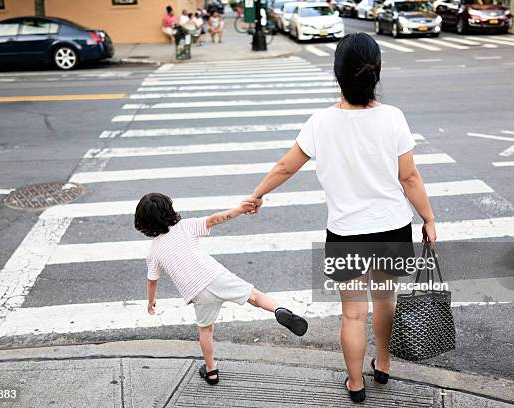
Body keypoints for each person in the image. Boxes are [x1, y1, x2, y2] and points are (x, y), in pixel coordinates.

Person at [244, 33, 437, 403]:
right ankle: (383, 364)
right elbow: (409, 177)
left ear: (338, 74)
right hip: (391, 227)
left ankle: (355, 384)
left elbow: (286, 166)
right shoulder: (394, 118)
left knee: (352, 314)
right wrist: (427, 217)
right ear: (376, 72)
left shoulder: (321, 122)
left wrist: (258, 193)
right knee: (385, 302)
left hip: (346, 232)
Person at [135, 193, 308, 385]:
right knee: (254, 295)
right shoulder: (185, 227)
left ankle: (211, 371)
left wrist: (151, 301)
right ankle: (279, 310)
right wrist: (240, 210)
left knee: (206, 330)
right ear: (169, 210)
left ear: (144, 222)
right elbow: (215, 219)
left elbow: (152, 280)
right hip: (216, 276)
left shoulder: (153, 252)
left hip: (197, 293)